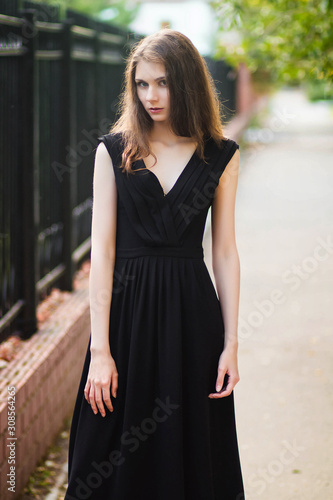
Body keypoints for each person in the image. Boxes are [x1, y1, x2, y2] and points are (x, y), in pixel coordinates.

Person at [64, 29, 245, 500]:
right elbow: (101, 253)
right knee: (101, 453)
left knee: (189, 450)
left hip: (192, 323)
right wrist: (100, 350)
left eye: (162, 83)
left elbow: (224, 250)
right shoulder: (113, 151)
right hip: (125, 322)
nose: (151, 96)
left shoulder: (219, 155)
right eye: (142, 85)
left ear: (186, 83)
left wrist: (230, 344)